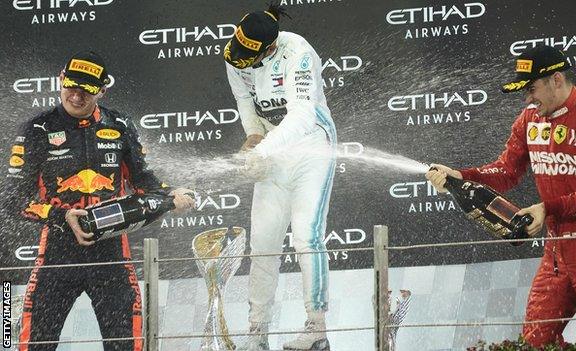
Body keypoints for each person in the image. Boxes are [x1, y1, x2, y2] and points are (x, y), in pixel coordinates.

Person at [426, 45, 576, 346]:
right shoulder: (530, 119)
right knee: (534, 340)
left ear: (556, 80)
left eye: (532, 89)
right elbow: (505, 171)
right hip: (556, 251)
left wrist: (548, 207)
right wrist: (460, 176)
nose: (528, 99)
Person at [5, 51, 196, 351]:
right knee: (34, 344)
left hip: (111, 255)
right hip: (57, 254)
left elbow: (143, 181)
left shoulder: (119, 125)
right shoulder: (37, 130)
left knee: (126, 344)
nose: (76, 97)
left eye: (87, 91)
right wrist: (59, 216)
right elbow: (13, 200)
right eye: (70, 86)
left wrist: (169, 194)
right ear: (60, 79)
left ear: (103, 90)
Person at [223, 3, 336, 351]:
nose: (240, 60)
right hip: (272, 148)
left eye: (250, 56)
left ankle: (316, 328)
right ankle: (257, 332)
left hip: (311, 145)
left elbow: (303, 116)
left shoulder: (298, 53)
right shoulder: (234, 55)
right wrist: (254, 138)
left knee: (306, 237)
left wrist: (263, 149)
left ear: (269, 47)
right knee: (264, 244)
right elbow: (245, 102)